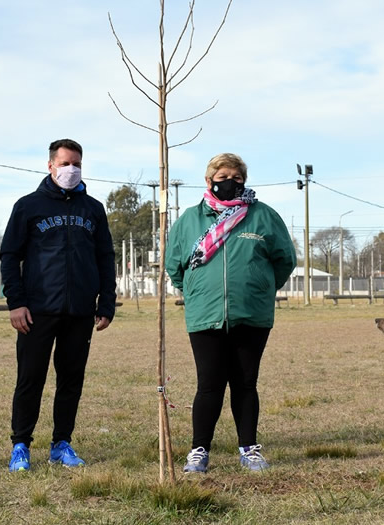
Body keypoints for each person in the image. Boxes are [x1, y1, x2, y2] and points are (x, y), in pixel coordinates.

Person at [166, 153, 296, 473]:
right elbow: (175, 266)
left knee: (245, 383)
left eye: (237, 178)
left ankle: (249, 449)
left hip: (251, 315)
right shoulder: (189, 220)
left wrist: (261, 288)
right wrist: (196, 292)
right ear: (209, 181)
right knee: (209, 384)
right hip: (204, 315)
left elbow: (285, 260)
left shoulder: (262, 216)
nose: (230, 182)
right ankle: (199, 451)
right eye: (223, 176)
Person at [0, 138, 116, 472]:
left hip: (79, 311)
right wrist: (16, 303)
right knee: (30, 379)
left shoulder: (93, 209)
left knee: (71, 380)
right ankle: (21, 445)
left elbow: (105, 257)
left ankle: (61, 443)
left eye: (76, 163)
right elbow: (10, 255)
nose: (71, 169)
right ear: (50, 165)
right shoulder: (28, 206)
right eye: (65, 163)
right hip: (36, 311)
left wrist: (105, 302)